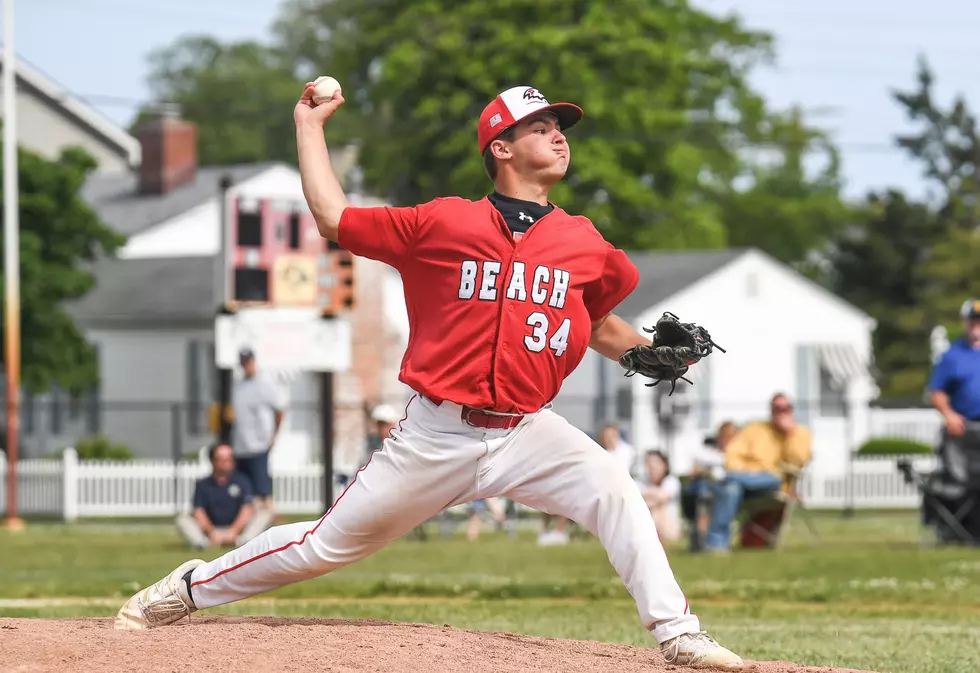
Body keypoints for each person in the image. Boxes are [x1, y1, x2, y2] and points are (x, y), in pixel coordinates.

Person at [114, 82, 742, 669]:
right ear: (501, 147)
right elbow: (335, 218)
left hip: (527, 432)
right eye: (541, 126)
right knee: (324, 547)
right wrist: (309, 127)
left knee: (613, 486)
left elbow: (596, 321)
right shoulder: (443, 223)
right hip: (436, 433)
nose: (559, 136)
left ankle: (677, 632)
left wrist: (645, 352)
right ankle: (189, 587)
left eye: (560, 126)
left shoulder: (584, 243)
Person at [704, 394, 812, 553]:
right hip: (743, 479)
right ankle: (716, 545)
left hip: (775, 482)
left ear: (792, 410)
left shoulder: (801, 433)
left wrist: (790, 434)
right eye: (777, 409)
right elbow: (732, 455)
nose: (782, 413)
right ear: (771, 410)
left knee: (732, 482)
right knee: (730, 490)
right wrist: (744, 471)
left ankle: (724, 479)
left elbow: (797, 462)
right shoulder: (754, 429)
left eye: (786, 409)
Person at [175, 444, 272, 550]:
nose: (228, 462)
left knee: (263, 513)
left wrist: (233, 531)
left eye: (230, 458)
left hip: (237, 530)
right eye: (223, 459)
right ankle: (203, 544)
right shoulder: (203, 485)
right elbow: (199, 511)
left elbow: (247, 509)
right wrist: (211, 531)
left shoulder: (242, 481)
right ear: (213, 461)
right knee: (182, 519)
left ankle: (243, 542)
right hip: (213, 530)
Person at [231, 349, 285, 516]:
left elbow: (279, 410)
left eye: (248, 361)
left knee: (263, 490)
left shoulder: (265, 383)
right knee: (246, 490)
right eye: (243, 361)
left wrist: (274, 435)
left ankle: (269, 519)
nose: (245, 365)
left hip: (258, 443)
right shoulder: (238, 386)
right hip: (241, 445)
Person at [929, 299, 980, 439]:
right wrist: (948, 414)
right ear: (965, 321)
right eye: (973, 320)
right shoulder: (951, 355)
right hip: (966, 429)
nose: (976, 325)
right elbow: (937, 391)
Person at [682, 421, 737, 551]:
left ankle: (708, 540)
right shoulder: (708, 453)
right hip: (705, 489)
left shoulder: (735, 456)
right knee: (704, 495)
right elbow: (693, 472)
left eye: (731, 437)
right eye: (725, 436)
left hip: (723, 490)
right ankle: (702, 538)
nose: (727, 440)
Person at [636, 450, 683, 543]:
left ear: (664, 466)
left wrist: (647, 497)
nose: (652, 467)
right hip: (646, 520)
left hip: (668, 524)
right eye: (649, 464)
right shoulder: (640, 482)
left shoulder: (671, 481)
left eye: (656, 463)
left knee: (660, 507)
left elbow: (663, 496)